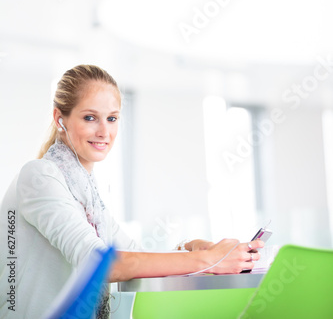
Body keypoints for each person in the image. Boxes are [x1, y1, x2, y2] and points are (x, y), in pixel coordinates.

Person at [0, 64, 264, 319]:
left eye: (112, 118)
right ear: (60, 119)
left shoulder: (89, 195)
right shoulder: (40, 176)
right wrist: (208, 261)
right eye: (90, 117)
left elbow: (133, 257)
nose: (104, 131)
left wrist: (191, 250)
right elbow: (100, 265)